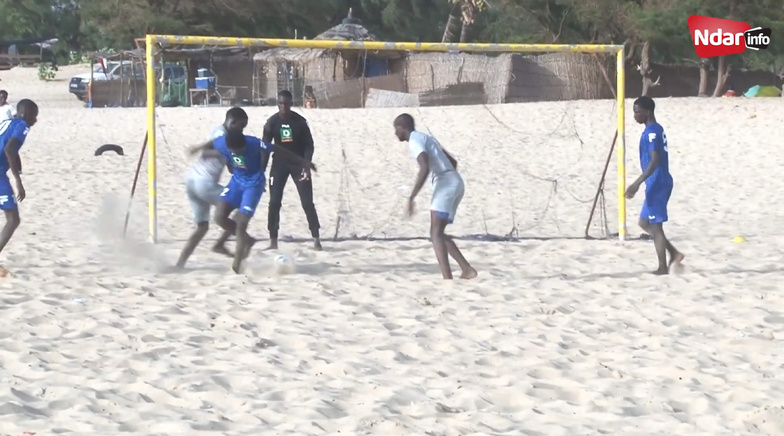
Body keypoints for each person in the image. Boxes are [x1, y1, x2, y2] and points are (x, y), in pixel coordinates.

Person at [196, 113, 317, 273]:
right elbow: (211, 144)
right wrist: (198, 149)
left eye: (240, 151)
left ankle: (237, 265)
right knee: (219, 217)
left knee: (241, 223)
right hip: (236, 182)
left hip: (254, 184)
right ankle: (247, 240)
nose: (237, 153)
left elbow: (278, 149)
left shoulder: (253, 143)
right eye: (234, 151)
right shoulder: (223, 143)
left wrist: (303, 162)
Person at [394, 113, 477, 280]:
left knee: (435, 234)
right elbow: (453, 162)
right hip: (455, 182)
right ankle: (466, 269)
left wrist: (412, 197)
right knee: (438, 233)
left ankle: (448, 278)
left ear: (403, 128)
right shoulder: (426, 137)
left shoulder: (414, 141)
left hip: (446, 185)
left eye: (396, 129)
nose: (395, 133)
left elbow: (424, 168)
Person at [176, 107, 249, 268]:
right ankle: (222, 244)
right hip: (204, 184)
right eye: (241, 126)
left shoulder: (223, 134)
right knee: (243, 206)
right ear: (232, 122)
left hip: (192, 182)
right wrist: (225, 153)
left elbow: (230, 164)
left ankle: (180, 264)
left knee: (202, 227)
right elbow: (207, 151)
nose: (242, 131)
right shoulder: (222, 134)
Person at [625, 96, 684, 275]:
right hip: (656, 181)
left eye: (637, 112)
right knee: (644, 222)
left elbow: (654, 160)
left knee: (656, 227)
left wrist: (636, 183)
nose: (635, 115)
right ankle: (674, 253)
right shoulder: (654, 129)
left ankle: (663, 268)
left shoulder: (652, 132)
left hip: (657, 182)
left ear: (647, 112)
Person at [262, 89, 322, 251]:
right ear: (277, 104)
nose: (283, 107)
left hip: (298, 165)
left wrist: (306, 165)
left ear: (291, 104)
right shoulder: (271, 123)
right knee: (274, 202)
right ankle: (273, 240)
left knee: (307, 202)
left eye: (286, 104)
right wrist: (261, 171)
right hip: (279, 165)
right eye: (280, 103)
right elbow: (265, 148)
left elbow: (309, 145)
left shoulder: (300, 122)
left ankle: (316, 238)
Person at [0, 99, 37, 269]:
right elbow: (9, 149)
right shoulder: (22, 125)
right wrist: (18, 181)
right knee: (13, 219)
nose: (35, 120)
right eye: (34, 115)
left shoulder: (6, 122)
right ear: (26, 113)